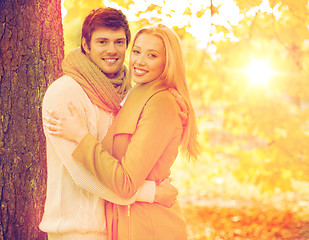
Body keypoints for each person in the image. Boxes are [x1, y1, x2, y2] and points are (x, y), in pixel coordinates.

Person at [44, 24, 199, 240]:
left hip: (150, 226)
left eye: (152, 55)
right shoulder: (133, 93)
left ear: (167, 62)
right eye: (136, 52)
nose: (139, 61)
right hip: (125, 222)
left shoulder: (162, 102)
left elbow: (125, 183)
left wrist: (81, 136)